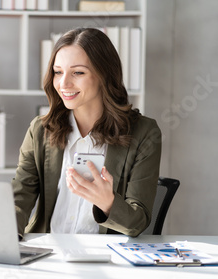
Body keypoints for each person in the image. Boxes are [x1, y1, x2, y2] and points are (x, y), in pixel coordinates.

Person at [12, 27, 161, 238]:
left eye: (78, 72)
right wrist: (4, 235)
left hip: (106, 258)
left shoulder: (144, 133)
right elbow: (20, 199)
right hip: (47, 254)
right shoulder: (40, 130)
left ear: (104, 75)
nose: (63, 84)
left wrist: (107, 202)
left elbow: (137, 223)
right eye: (58, 72)